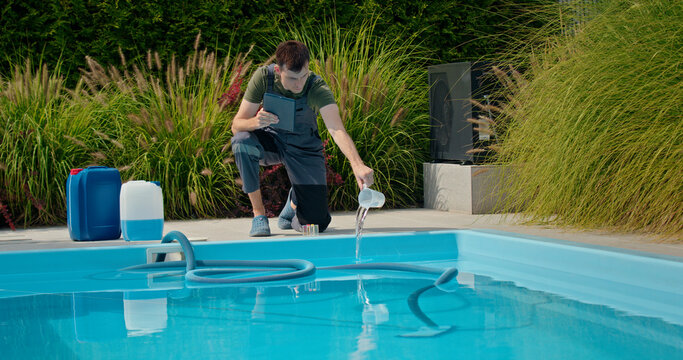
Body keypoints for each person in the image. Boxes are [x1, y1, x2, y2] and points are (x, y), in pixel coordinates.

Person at [231, 40, 374, 237]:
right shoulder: (264, 77)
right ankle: (259, 216)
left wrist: (357, 164)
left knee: (316, 225)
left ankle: (293, 203)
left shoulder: (316, 87)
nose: (299, 84)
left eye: (303, 76)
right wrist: (255, 122)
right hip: (271, 142)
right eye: (292, 78)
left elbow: (336, 128)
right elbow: (236, 125)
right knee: (241, 142)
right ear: (278, 70)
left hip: (304, 148)